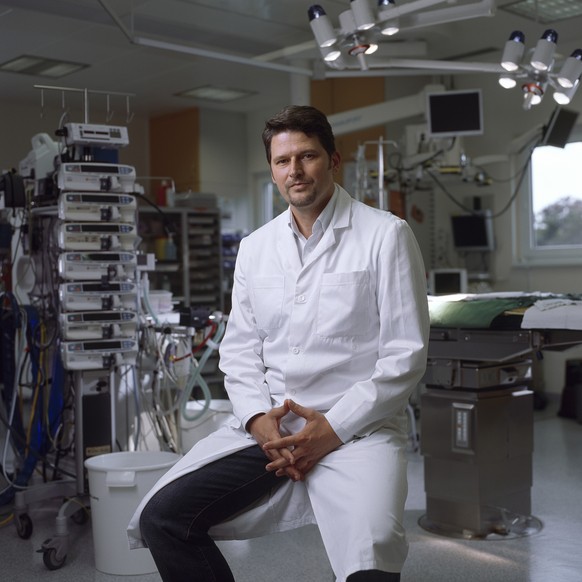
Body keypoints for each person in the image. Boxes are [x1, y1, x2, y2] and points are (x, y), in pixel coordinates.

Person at [128, 105, 430, 582]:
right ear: (272, 170)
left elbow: (404, 355)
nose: (295, 171)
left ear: (334, 159)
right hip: (272, 428)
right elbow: (240, 348)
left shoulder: (385, 236)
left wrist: (331, 429)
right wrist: (255, 419)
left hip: (357, 431)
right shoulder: (256, 247)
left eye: (307, 157)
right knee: (163, 518)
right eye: (283, 161)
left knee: (371, 558)